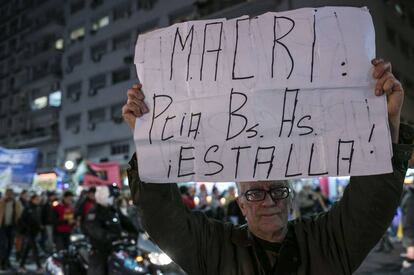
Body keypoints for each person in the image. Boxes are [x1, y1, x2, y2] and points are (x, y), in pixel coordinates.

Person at [122, 59, 413, 274]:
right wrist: (148, 137)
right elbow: (162, 217)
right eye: (254, 194)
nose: (269, 201)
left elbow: (371, 205)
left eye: (277, 190)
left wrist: (386, 124)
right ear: (241, 205)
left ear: (290, 196)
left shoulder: (326, 241)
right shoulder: (215, 249)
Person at [83, 184, 137, 275]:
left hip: (117, 247)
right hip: (101, 250)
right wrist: (110, 236)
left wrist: (138, 232)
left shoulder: (112, 210)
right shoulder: (94, 212)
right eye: (111, 197)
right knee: (99, 269)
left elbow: (125, 222)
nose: (113, 200)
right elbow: (94, 230)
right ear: (104, 197)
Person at [18, 194, 43, 273]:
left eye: (39, 199)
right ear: (32, 200)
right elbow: (22, 220)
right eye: (37, 199)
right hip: (29, 232)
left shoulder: (37, 208)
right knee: (35, 249)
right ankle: (39, 267)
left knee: (27, 250)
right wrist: (27, 228)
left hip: (34, 232)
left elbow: (37, 220)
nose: (38, 201)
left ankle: (21, 266)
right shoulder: (28, 208)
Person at [0, 188, 23, 270]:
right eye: (8, 194)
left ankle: (7, 261)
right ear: (6, 194)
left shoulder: (16, 203)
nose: (9, 195)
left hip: (12, 227)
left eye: (11, 194)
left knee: (10, 245)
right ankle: (2, 263)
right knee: (3, 245)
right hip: (2, 227)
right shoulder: (1, 202)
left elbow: (20, 214)